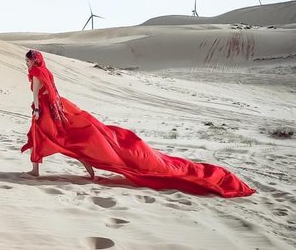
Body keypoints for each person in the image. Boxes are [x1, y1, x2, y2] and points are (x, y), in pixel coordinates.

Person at [20, 49, 256, 198]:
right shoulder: (46, 72)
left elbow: (37, 97)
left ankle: (36, 170)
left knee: (54, 139)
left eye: (28, 61)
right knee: (68, 141)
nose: (27, 64)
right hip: (57, 110)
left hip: (45, 113)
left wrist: (38, 111)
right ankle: (65, 169)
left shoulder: (38, 75)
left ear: (34, 61)